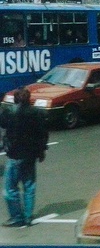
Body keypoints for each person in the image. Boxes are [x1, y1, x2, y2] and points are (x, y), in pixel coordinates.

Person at [0, 87, 48, 227]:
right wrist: (42, 151)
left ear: (15, 99)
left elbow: (2, 123)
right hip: (31, 154)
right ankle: (27, 216)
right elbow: (43, 134)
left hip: (15, 155)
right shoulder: (37, 113)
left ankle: (16, 217)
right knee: (29, 185)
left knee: (10, 189)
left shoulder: (10, 113)